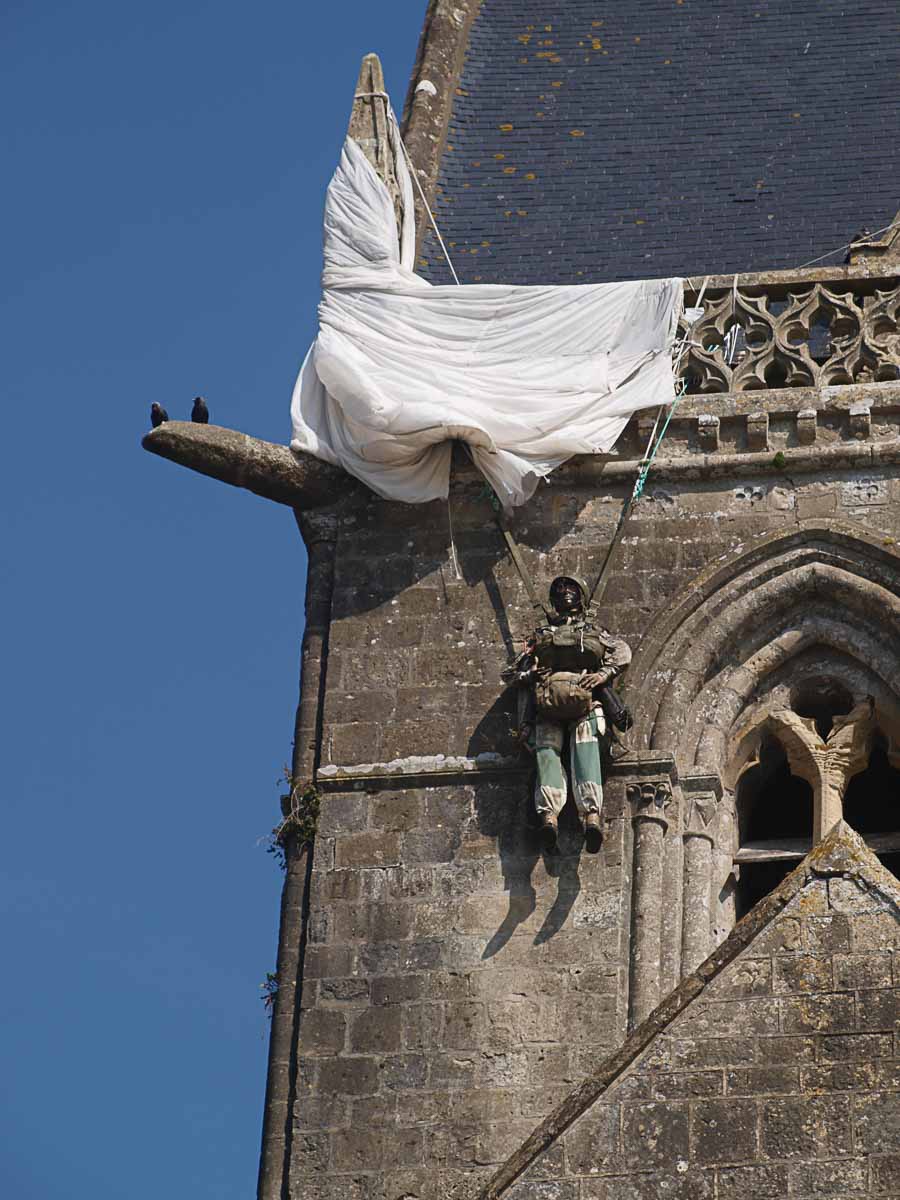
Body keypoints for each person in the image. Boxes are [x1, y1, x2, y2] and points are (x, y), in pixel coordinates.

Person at [505, 575, 632, 854]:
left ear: (581, 595)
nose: (565, 592)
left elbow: (622, 653)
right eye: (560, 589)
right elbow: (513, 674)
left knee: (586, 750)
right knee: (546, 754)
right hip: (547, 704)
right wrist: (530, 675)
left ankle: (591, 816)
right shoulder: (540, 635)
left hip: (585, 702)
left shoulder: (595, 631)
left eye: (571, 587)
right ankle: (549, 817)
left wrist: (602, 675)